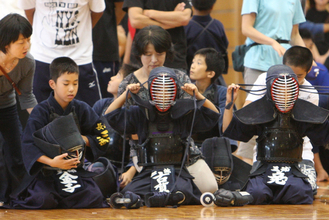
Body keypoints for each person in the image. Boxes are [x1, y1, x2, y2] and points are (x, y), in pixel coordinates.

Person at [104, 66, 220, 207]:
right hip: (149, 170)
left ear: (175, 91)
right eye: (159, 89)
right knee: (131, 191)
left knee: (184, 190)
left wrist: (198, 95)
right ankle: (157, 198)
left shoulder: (184, 112)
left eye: (168, 90)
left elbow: (213, 115)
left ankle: (160, 198)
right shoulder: (140, 112)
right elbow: (110, 115)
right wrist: (126, 95)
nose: (163, 94)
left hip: (177, 170)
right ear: (151, 91)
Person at [10, 57, 112, 209]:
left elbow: (104, 137)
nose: (71, 89)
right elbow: (28, 145)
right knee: (43, 199)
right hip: (48, 173)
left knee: (94, 197)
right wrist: (52, 162)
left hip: (75, 170)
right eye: (66, 84)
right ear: (53, 84)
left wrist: (84, 139)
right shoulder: (41, 111)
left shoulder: (82, 109)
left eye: (75, 83)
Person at [223, 64, 329, 205]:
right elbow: (230, 129)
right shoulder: (259, 109)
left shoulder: (304, 110)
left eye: (288, 88)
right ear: (269, 88)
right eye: (279, 89)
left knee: (301, 193)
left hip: (294, 168)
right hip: (263, 167)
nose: (284, 93)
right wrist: (229, 104)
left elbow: (324, 134)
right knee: (257, 193)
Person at [237, 46, 321, 193]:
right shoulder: (265, 78)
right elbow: (247, 112)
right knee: (259, 191)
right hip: (267, 153)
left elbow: (309, 130)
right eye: (288, 73)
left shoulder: (311, 94)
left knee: (308, 190)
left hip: (299, 154)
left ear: (308, 72)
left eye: (298, 76)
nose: (291, 80)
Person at [18, 0, 105, 106]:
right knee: (39, 113)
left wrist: (83, 30)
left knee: (94, 113)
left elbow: (98, 11)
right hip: (43, 57)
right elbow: (28, 9)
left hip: (79, 57)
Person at [0, 13, 37, 205]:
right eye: (21, 42)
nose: (27, 46)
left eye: (28, 40)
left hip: (7, 107)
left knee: (17, 152)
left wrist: (42, 120)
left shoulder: (27, 62)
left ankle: (19, 196)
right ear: (6, 43)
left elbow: (27, 96)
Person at [118, 25, 191, 107]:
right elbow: (121, 115)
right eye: (148, 55)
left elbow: (188, 111)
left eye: (159, 54)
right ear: (139, 54)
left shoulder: (180, 78)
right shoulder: (128, 83)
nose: (154, 60)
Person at [92, 63, 139, 188]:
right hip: (100, 163)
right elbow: (89, 133)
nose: (112, 78)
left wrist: (130, 171)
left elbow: (140, 146)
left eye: (118, 75)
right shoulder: (101, 105)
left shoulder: (134, 111)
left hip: (124, 168)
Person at [241, 0, 306, 85]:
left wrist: (307, 56)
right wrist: (272, 42)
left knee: (286, 98)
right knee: (256, 98)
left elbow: (294, 34)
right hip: (258, 61)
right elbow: (246, 28)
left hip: (285, 62)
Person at [122, 0, 192, 71]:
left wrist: (150, 13)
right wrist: (173, 17)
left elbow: (184, 18)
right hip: (142, 59)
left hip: (174, 58)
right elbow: (136, 20)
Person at [185, 0, 229, 83]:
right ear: (212, 6)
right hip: (214, 77)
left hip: (192, 76)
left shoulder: (187, 26)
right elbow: (225, 46)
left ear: (192, 6)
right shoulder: (218, 25)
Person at [92, 0, 126, 99]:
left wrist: (108, 25)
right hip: (73, 49)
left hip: (103, 47)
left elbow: (121, 5)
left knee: (107, 99)